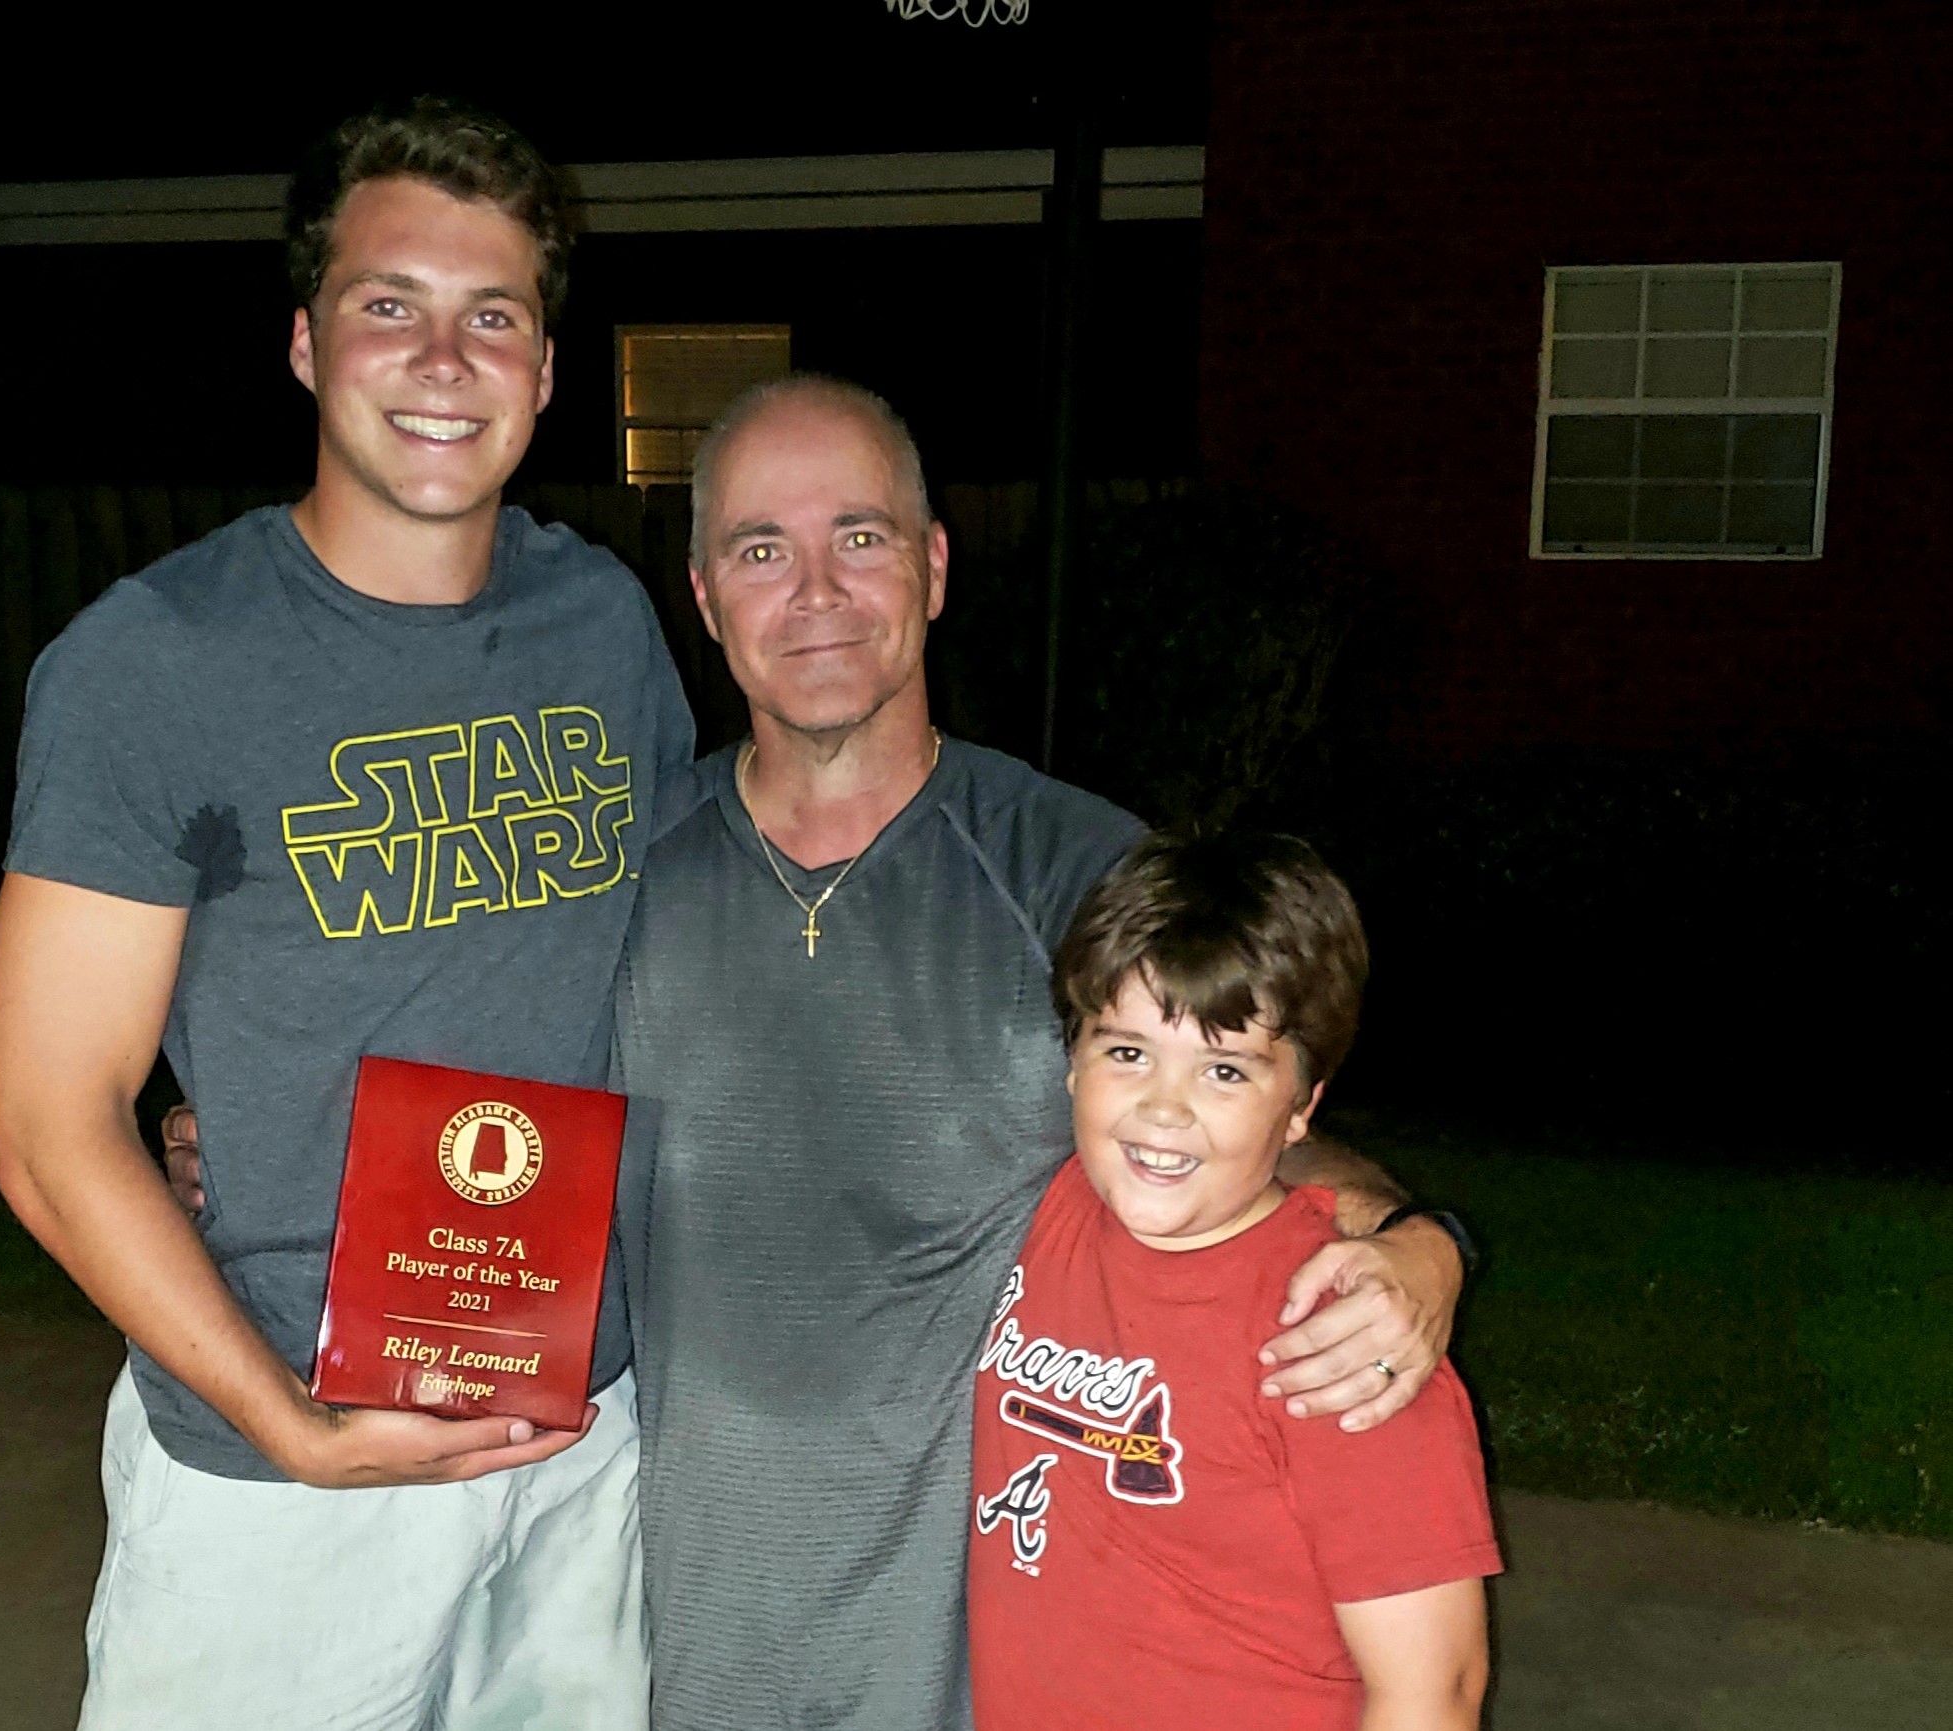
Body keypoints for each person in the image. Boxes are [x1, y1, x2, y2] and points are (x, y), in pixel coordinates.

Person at [605, 374, 1472, 1730]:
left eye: (863, 537)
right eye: (762, 550)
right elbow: (478, 1140)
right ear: (706, 594)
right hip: (676, 1629)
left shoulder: (1078, 873)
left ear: (935, 565)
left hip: (983, 1653)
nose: (817, 589)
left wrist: (1420, 1242)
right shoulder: (615, 878)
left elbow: (1241, 1121)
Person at [0, 97, 691, 1730]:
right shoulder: (155, 666)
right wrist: (287, 1419)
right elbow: (44, 1118)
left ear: (546, 371)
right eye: (392, 305)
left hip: (585, 1433)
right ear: (306, 343)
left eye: (492, 315)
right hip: (287, 1476)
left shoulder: (603, 626)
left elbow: (661, 980)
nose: (445, 358)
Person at [968, 830, 1500, 1731]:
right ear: (1070, 1059)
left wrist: (1431, 1242)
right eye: (1127, 1052)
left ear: (1302, 1106)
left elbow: (1434, 1691)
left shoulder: (1343, 1339)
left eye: (1224, 1069)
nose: (1162, 1108)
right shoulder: (1053, 1207)